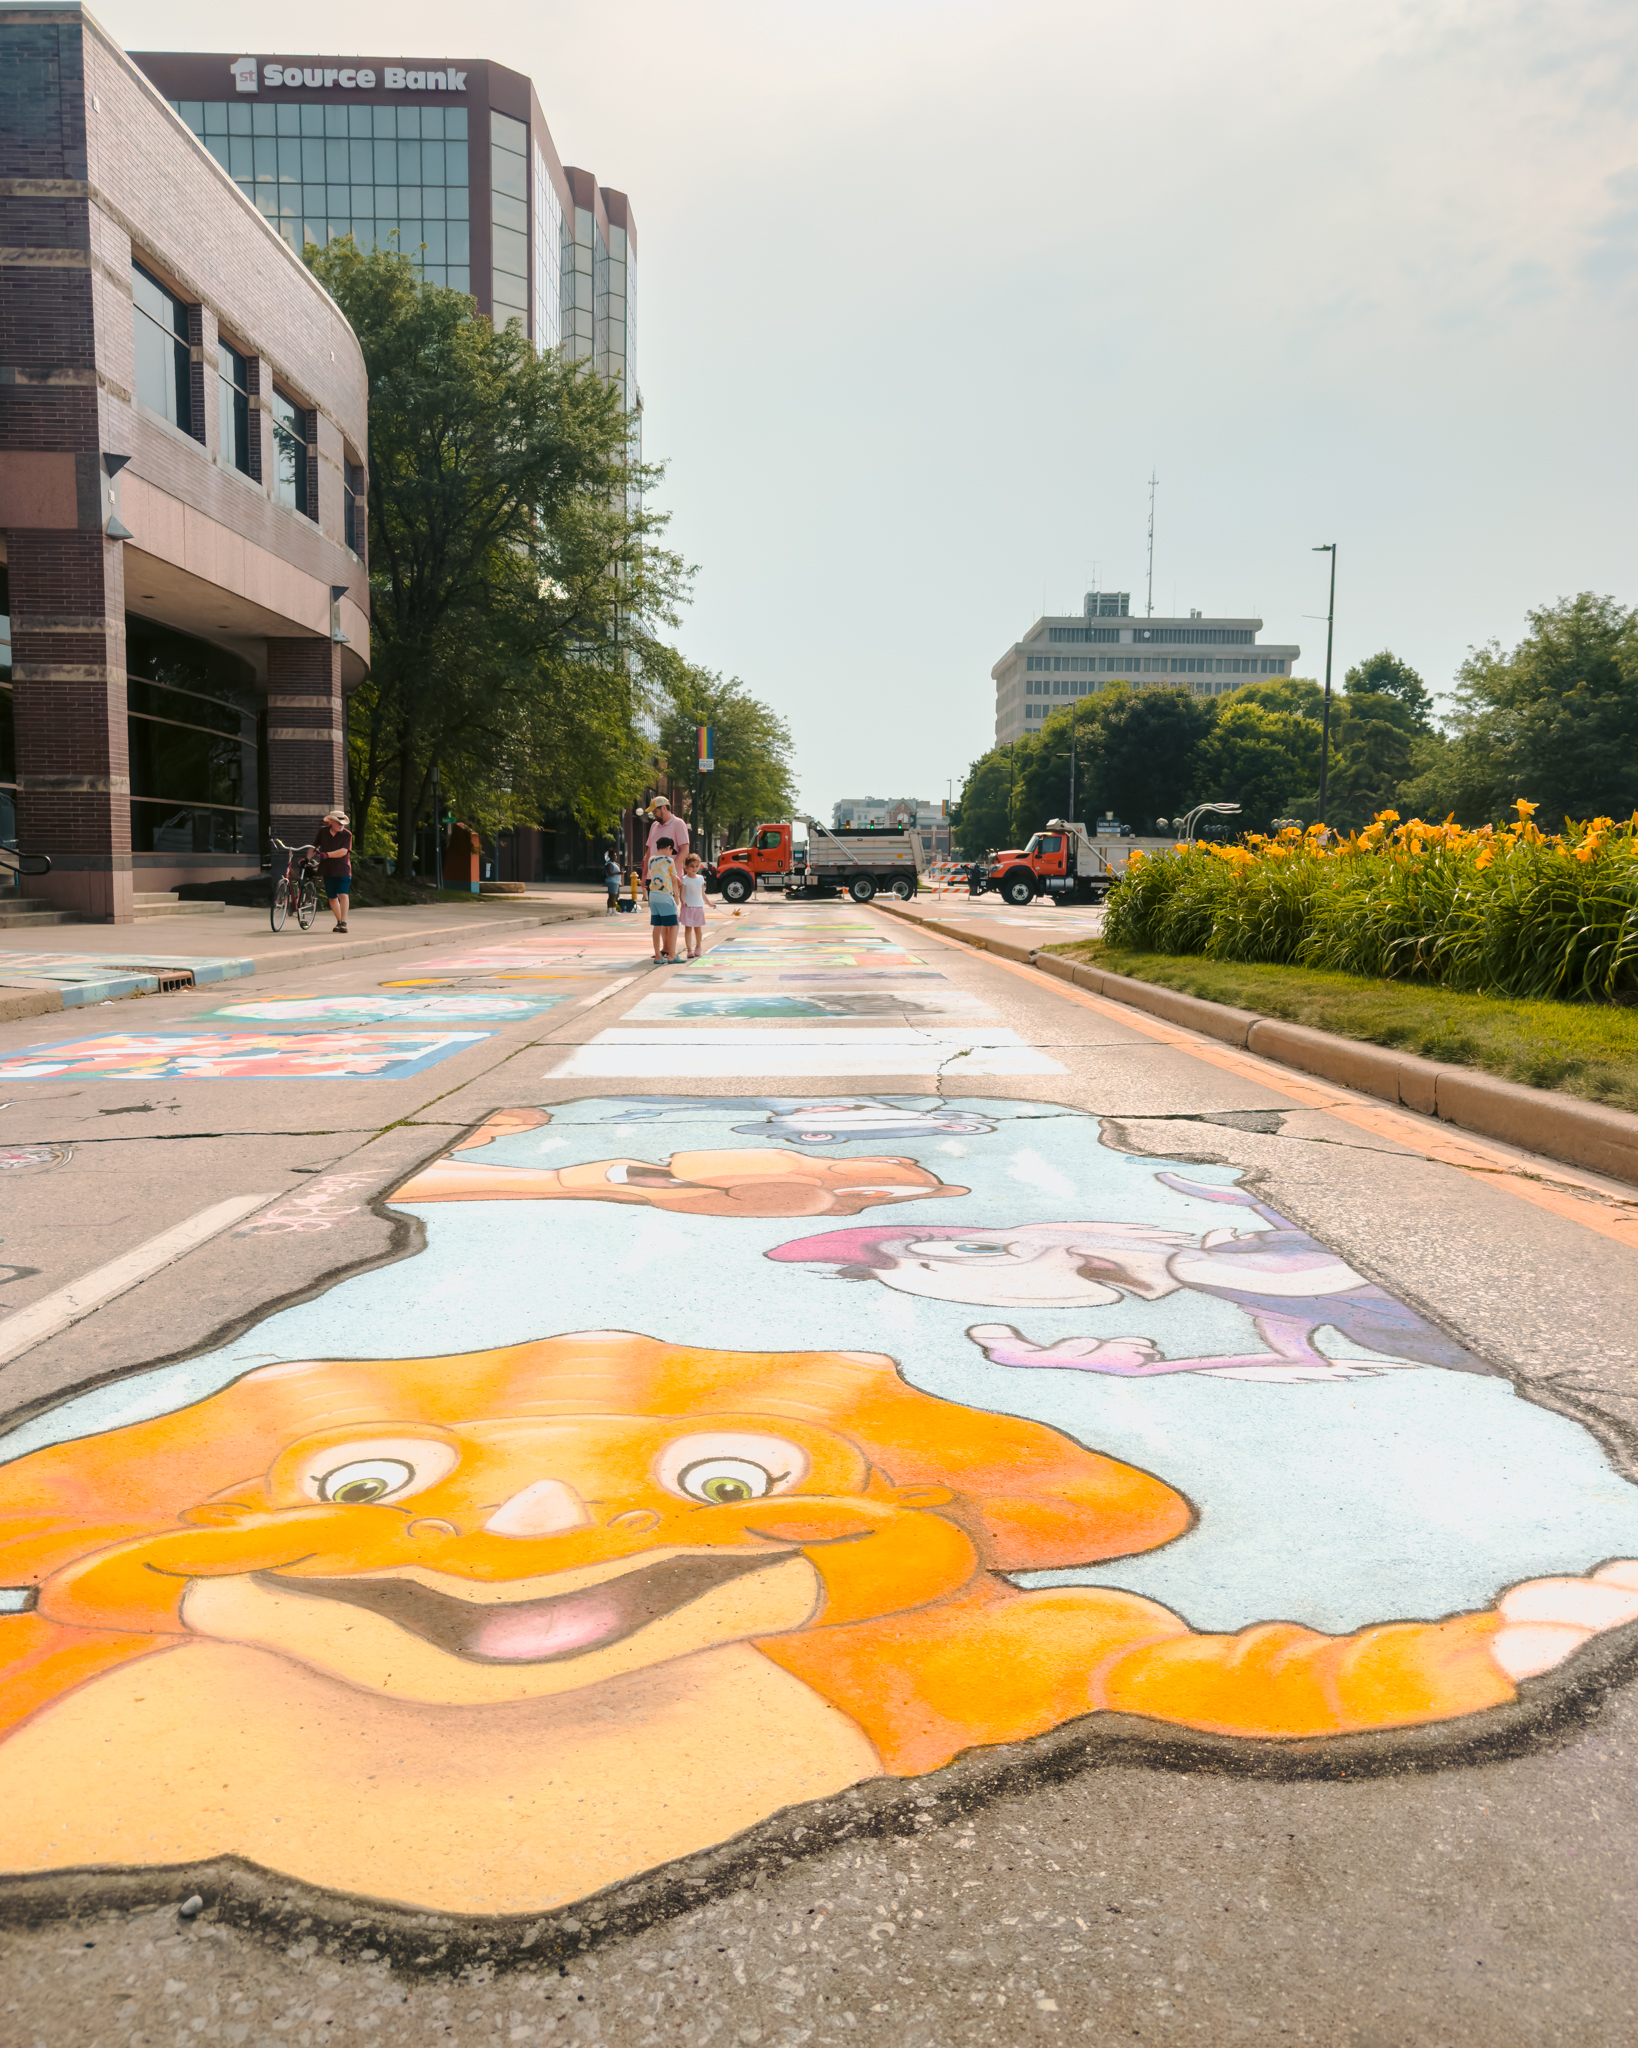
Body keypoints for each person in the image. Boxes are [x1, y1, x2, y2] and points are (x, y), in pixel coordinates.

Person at [313, 810, 353, 932]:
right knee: (332, 897)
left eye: (343, 823)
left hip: (343, 869)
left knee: (342, 894)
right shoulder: (323, 832)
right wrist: (306, 859)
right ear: (331, 822)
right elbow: (314, 847)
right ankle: (339, 922)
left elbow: (344, 851)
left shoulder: (347, 834)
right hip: (327, 869)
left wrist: (327, 855)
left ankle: (344, 922)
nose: (341, 826)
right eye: (339, 823)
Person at [647, 834, 680, 963]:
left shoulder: (651, 860)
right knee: (673, 925)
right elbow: (674, 879)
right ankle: (672, 954)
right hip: (665, 895)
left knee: (657, 925)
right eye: (671, 850)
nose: (671, 853)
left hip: (653, 895)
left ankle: (657, 956)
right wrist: (676, 896)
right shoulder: (669, 861)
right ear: (668, 847)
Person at [641, 796, 689, 879]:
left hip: (671, 878)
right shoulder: (654, 825)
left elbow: (685, 850)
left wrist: (671, 871)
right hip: (653, 877)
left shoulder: (678, 823)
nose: (654, 814)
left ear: (663, 808)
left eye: (655, 811)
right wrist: (644, 875)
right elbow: (649, 851)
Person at [679, 852, 708, 958]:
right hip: (688, 907)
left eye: (696, 866)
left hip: (698, 906)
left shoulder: (700, 878)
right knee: (688, 928)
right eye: (692, 866)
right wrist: (682, 902)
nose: (694, 868)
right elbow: (682, 893)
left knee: (698, 928)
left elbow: (702, 893)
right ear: (686, 867)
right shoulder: (684, 879)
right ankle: (689, 949)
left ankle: (698, 946)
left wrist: (709, 903)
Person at [603, 849, 622, 914]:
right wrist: (619, 873)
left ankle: (609, 911)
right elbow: (610, 873)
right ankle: (613, 910)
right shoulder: (610, 864)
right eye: (614, 856)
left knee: (611, 896)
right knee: (613, 896)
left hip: (614, 881)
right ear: (611, 856)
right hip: (613, 881)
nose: (616, 857)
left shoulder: (613, 863)